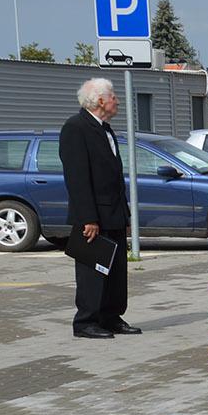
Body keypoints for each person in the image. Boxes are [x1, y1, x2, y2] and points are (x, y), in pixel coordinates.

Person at [60, 78, 139, 339]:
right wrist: (88, 218)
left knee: (116, 271)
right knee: (92, 270)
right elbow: (77, 178)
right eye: (113, 96)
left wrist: (125, 214)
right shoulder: (75, 128)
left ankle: (111, 316)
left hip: (113, 212)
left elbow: (114, 176)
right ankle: (86, 321)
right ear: (100, 100)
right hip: (93, 216)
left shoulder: (105, 129)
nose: (117, 100)